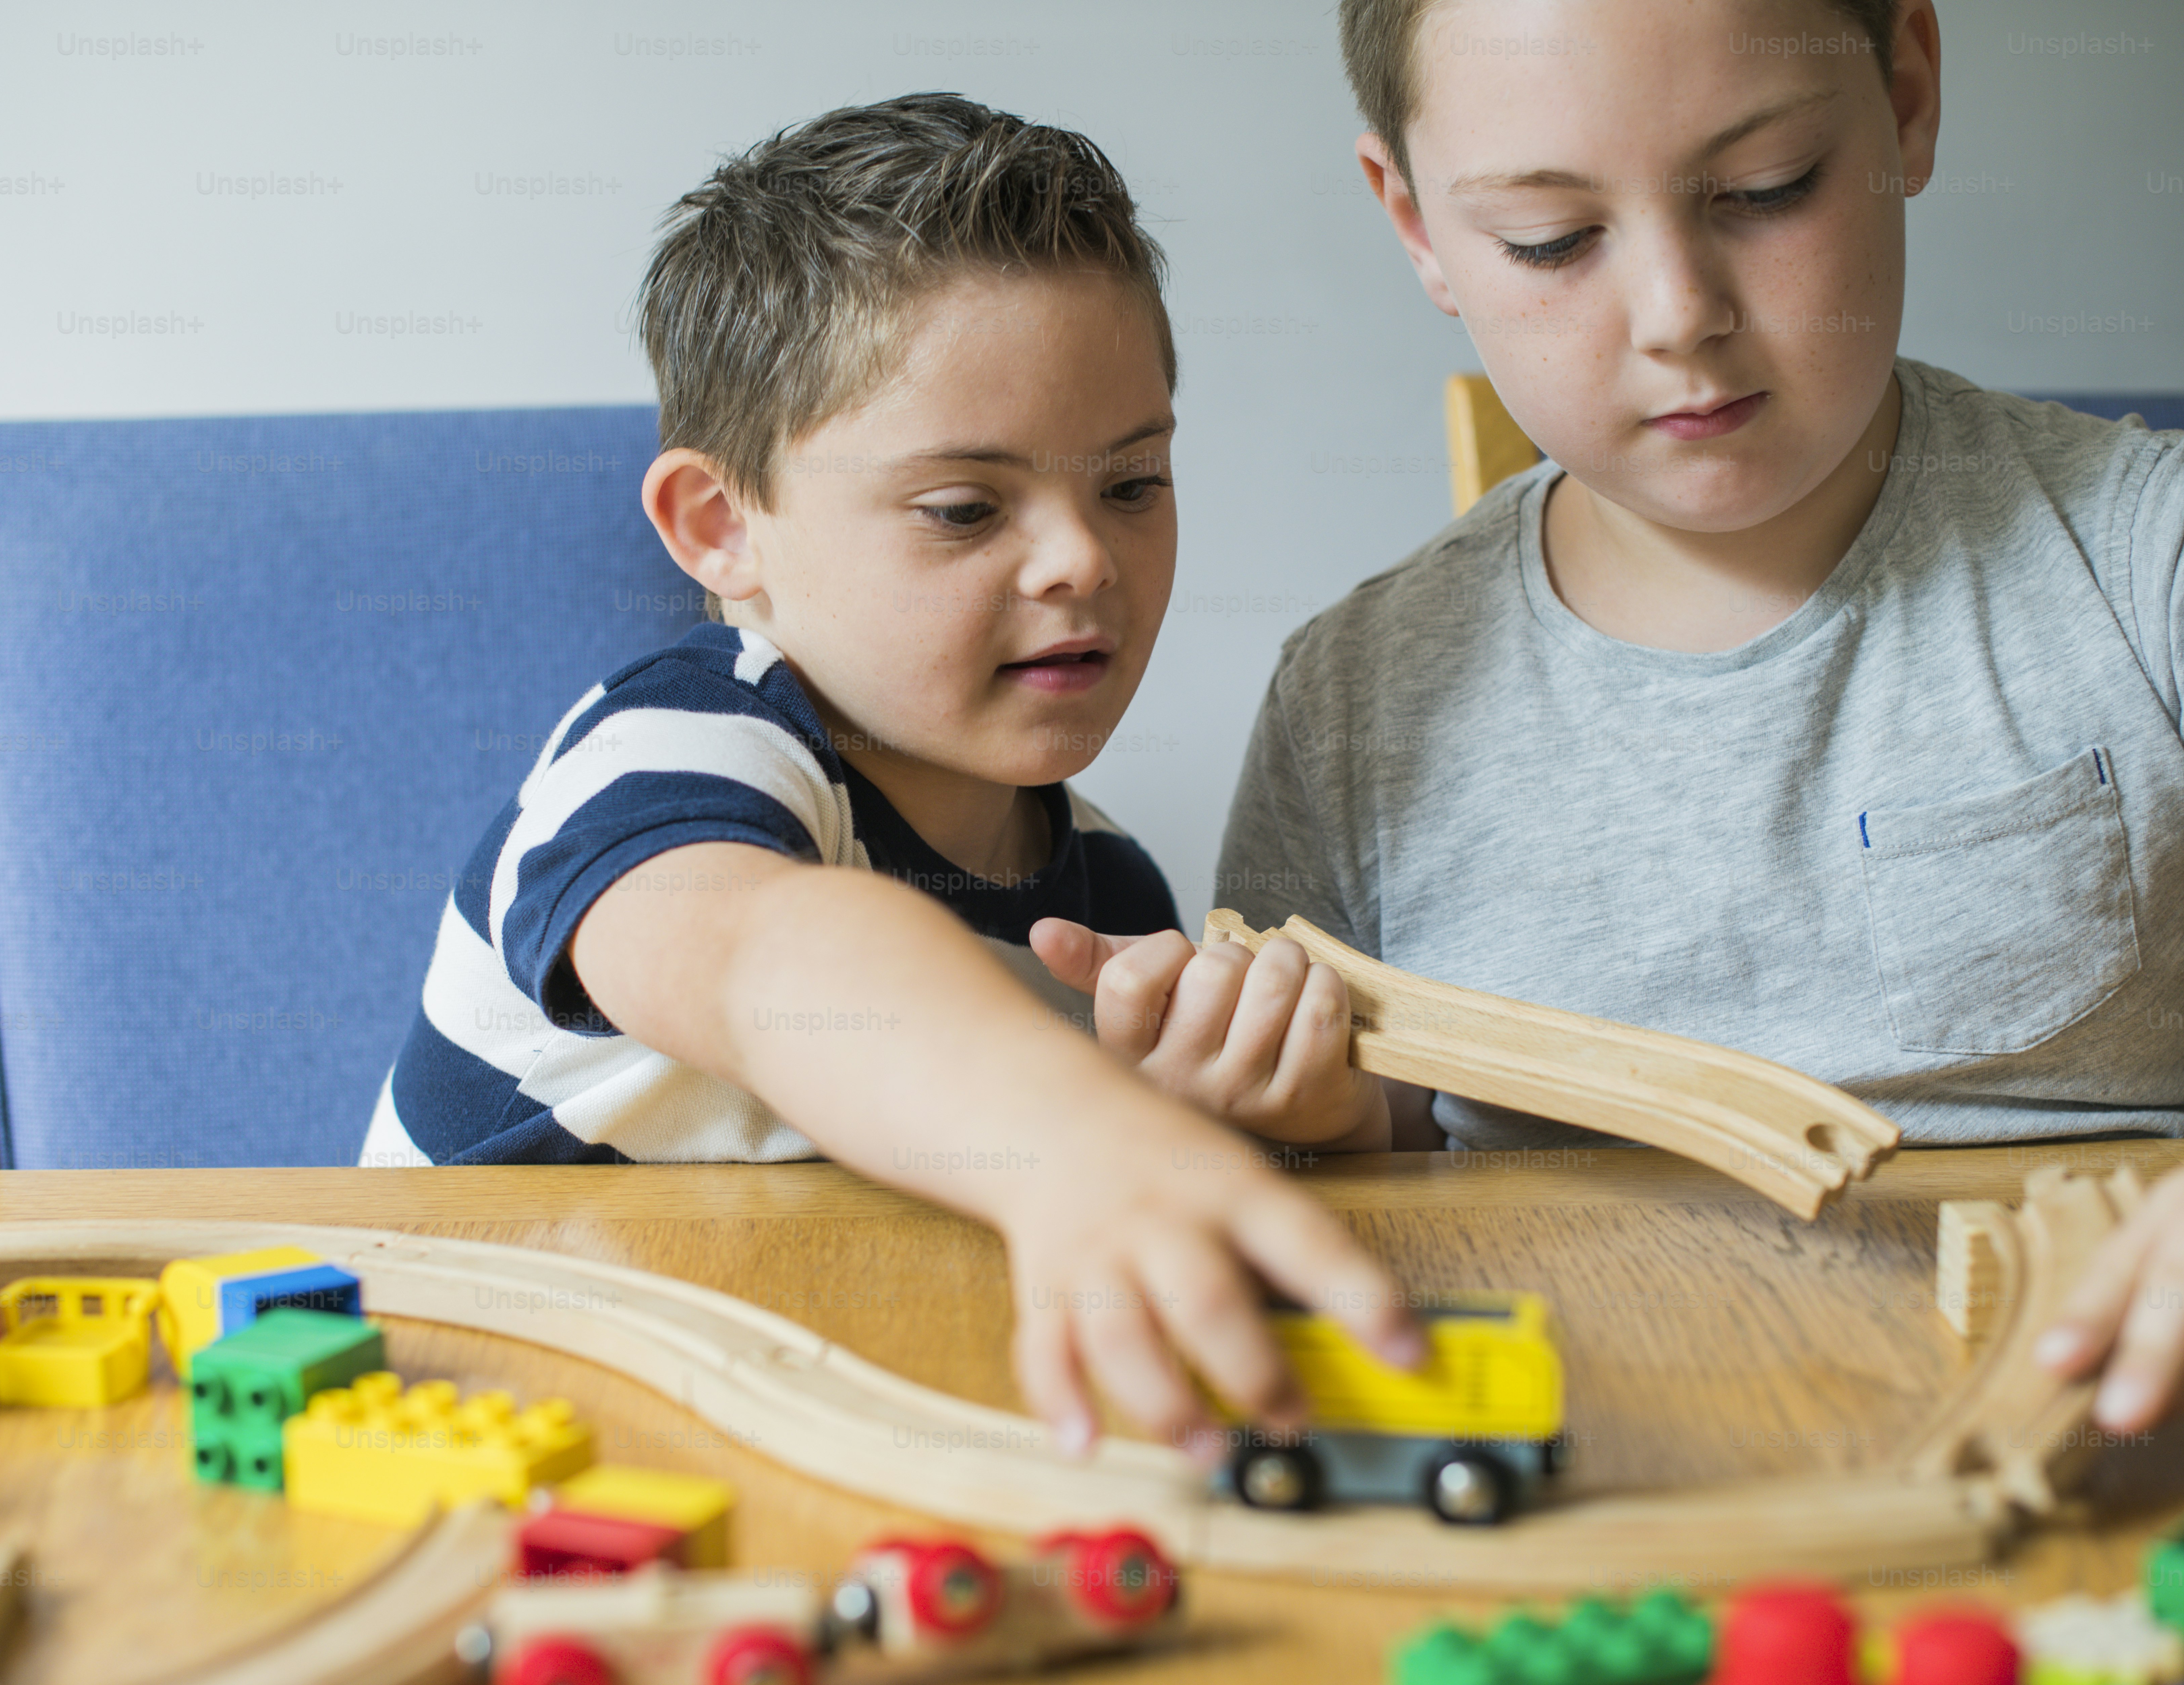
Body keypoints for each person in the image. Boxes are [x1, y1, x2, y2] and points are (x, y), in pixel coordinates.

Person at [1036, 0, 2184, 1437]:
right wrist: (1321, 1117)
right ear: (1416, 222)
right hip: (1599, 1478)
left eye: (1764, 190)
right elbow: (1389, 1154)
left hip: (2111, 1453)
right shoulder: (1351, 698)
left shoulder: (2173, 558)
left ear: (1909, 93)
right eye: (1552, 239)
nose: (1679, 316)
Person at [363, 93, 1425, 1460]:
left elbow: (1108, 1229)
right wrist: (1068, 1126)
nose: (1083, 564)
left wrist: (1310, 1118)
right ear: (721, 529)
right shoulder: (674, 751)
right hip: (456, 1428)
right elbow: (765, 956)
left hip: (797, 1439)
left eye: (1133, 484)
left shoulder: (1107, 884)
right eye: (967, 509)